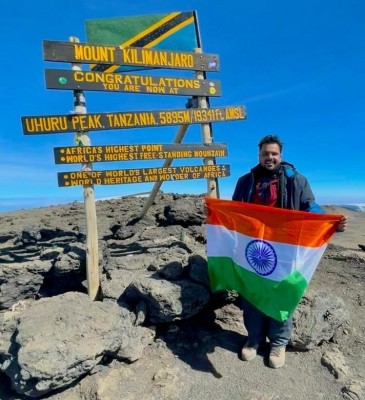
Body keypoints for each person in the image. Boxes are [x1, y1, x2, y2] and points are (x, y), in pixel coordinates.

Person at [232, 134, 348, 369]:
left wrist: (330, 221)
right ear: (259, 155)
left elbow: (310, 207)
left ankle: (278, 344)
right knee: (251, 293)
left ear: (281, 156)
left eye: (274, 153)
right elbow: (234, 211)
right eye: (265, 153)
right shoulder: (245, 181)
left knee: (283, 294)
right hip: (253, 247)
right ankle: (254, 339)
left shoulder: (297, 180)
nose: (269, 157)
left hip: (286, 249)